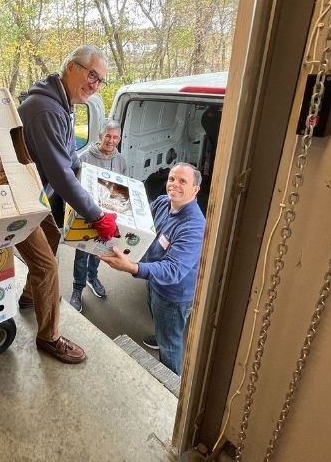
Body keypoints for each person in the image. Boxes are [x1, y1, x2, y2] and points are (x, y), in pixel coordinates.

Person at [15, 45, 119, 364]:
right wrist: (96, 214)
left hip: (33, 194)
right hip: (16, 200)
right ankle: (49, 337)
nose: (95, 85)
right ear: (71, 67)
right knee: (47, 266)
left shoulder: (63, 103)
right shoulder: (45, 109)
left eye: (100, 80)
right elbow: (61, 174)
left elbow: (70, 158)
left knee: (53, 236)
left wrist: (93, 184)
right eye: (91, 75)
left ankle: (30, 297)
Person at [99, 162, 205, 375]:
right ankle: (160, 333)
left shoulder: (194, 226)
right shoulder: (164, 202)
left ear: (196, 190)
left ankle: (170, 387)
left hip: (173, 294)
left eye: (182, 181)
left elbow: (173, 270)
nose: (174, 184)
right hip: (154, 279)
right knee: (157, 316)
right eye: (172, 179)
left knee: (171, 344)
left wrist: (133, 267)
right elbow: (141, 217)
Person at [69, 120, 128, 313]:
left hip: (109, 218)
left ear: (119, 138)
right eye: (108, 136)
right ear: (100, 137)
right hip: (88, 216)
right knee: (82, 253)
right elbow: (75, 189)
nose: (111, 141)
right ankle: (77, 289)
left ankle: (92, 277)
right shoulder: (84, 158)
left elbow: (125, 190)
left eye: (115, 137)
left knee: (100, 251)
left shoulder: (121, 161)